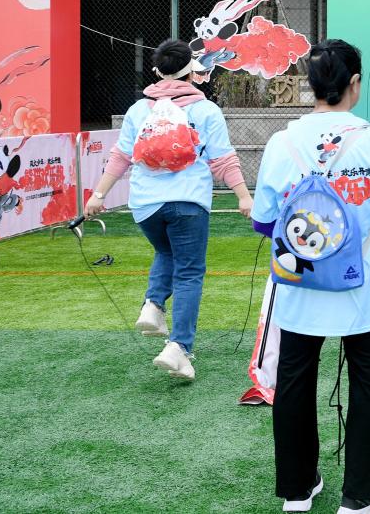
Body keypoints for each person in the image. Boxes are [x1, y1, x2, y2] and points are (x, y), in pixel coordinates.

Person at [251, 39, 370, 513]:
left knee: (294, 377)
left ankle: (298, 489)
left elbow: (264, 221)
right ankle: (362, 493)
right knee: (366, 380)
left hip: (299, 281)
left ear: (311, 84)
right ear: (354, 83)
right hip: (364, 285)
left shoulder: (283, 142)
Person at [86, 39, 252, 382]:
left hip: (145, 203)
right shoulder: (205, 110)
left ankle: (153, 304)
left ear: (157, 71)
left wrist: (98, 195)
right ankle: (179, 347)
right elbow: (223, 159)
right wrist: (243, 196)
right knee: (189, 272)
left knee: (166, 252)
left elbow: (120, 157)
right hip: (188, 201)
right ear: (192, 70)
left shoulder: (138, 110)